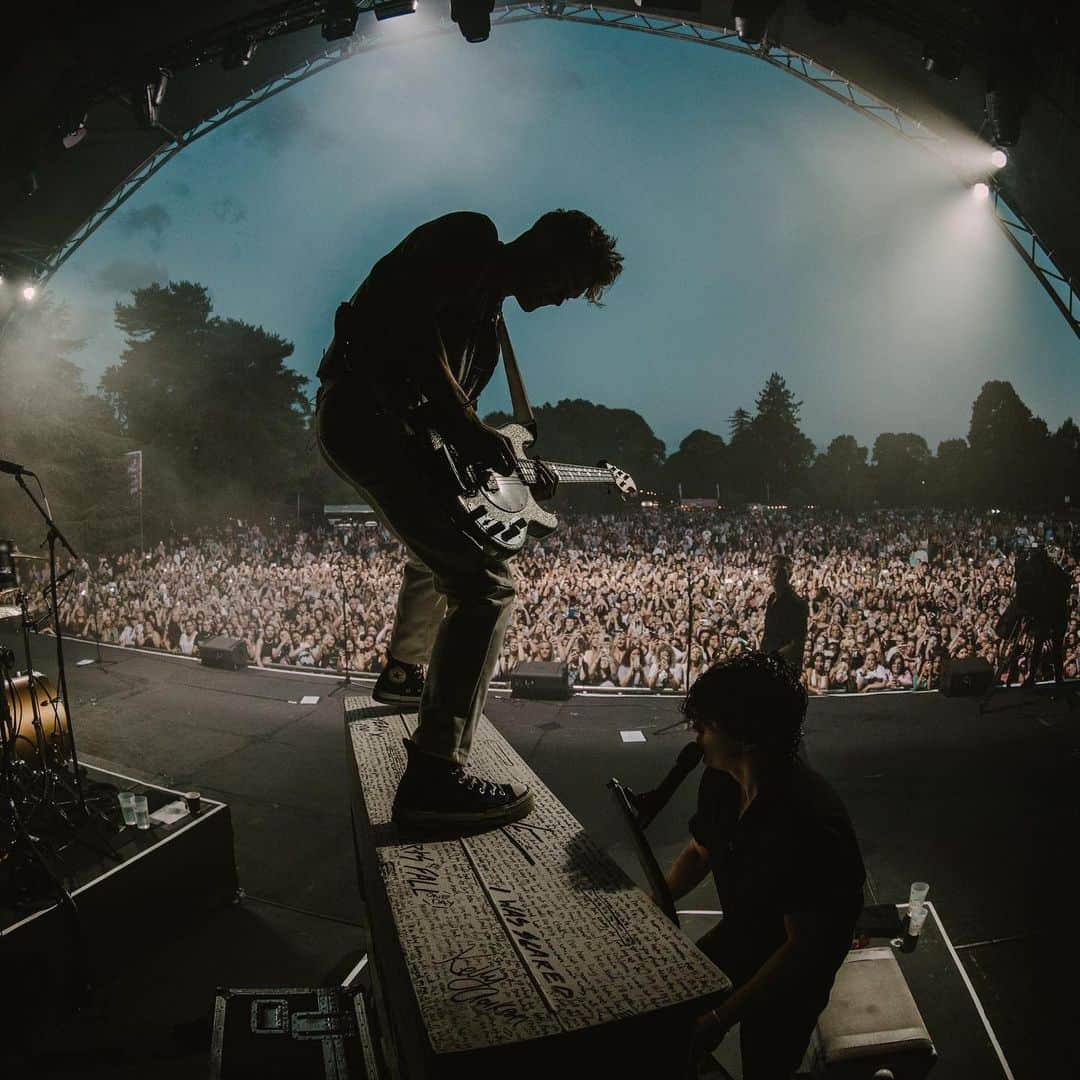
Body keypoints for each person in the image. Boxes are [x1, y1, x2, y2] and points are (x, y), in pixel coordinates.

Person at [315, 209, 623, 832]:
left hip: (382, 429)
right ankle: (436, 772)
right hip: (367, 418)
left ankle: (404, 674)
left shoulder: (488, 326)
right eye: (566, 284)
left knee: (439, 550)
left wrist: (516, 467)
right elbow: (407, 327)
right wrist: (469, 427)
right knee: (487, 584)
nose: (560, 300)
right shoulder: (467, 235)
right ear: (545, 248)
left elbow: (461, 431)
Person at [665, 652, 865, 1079]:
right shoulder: (720, 779)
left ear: (746, 735)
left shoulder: (809, 822)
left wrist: (721, 1018)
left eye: (706, 725)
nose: (696, 733)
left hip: (795, 970)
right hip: (746, 932)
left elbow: (803, 948)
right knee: (676, 1008)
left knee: (765, 1061)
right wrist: (651, 903)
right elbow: (700, 852)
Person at [760, 555, 809, 673]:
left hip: (785, 667)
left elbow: (797, 642)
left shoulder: (797, 603)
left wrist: (773, 657)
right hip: (768, 665)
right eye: (773, 570)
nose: (775, 575)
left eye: (780, 571)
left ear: (790, 574)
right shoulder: (771, 599)